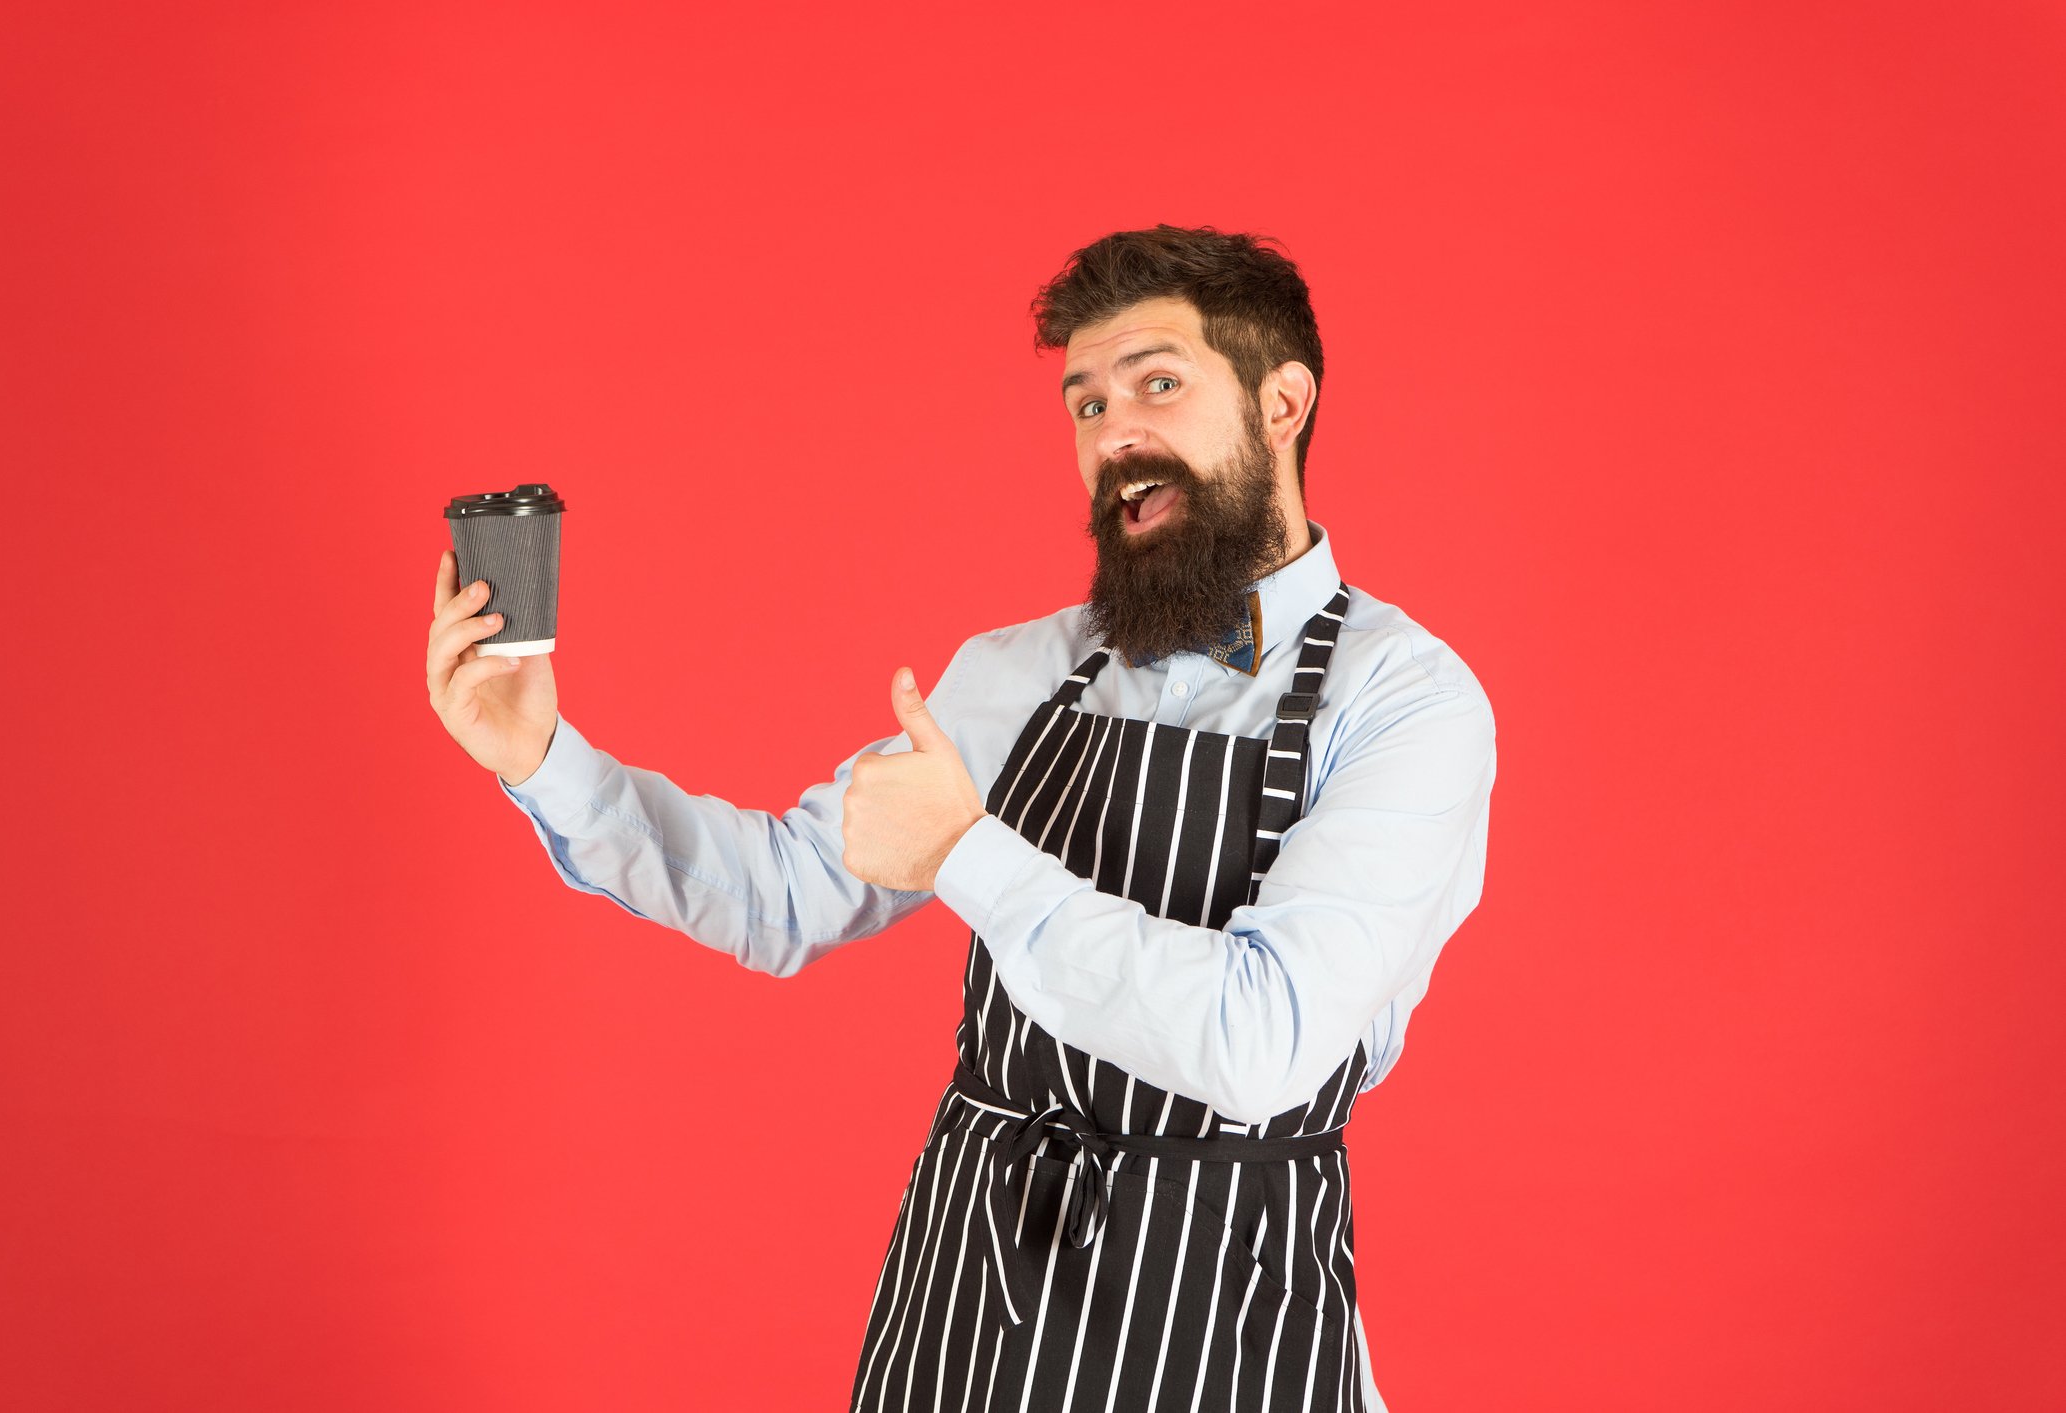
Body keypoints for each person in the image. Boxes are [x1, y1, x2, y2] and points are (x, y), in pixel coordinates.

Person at [424, 224, 1496, 1413]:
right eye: (1085, 403)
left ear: (1280, 403)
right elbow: (784, 896)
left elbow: (1261, 1042)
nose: (1112, 433)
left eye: (1156, 383)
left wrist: (963, 854)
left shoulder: (1405, 702)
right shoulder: (1016, 671)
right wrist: (543, 759)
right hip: (970, 1294)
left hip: (1224, 1303)